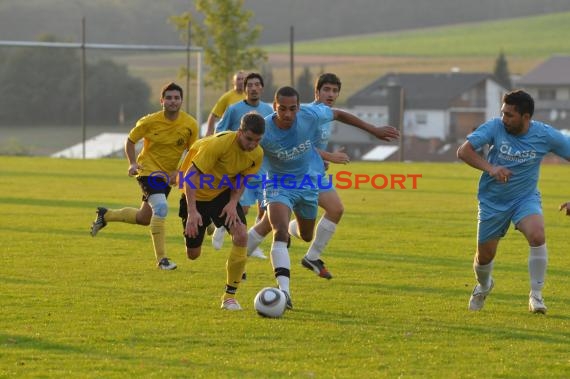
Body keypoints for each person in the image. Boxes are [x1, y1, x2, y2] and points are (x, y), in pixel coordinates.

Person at [247, 86, 399, 309]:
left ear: (299, 107)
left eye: (292, 109)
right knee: (278, 230)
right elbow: (243, 145)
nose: (288, 114)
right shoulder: (265, 128)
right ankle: (285, 292)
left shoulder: (310, 115)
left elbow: (339, 114)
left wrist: (373, 130)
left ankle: (288, 234)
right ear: (274, 107)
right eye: (282, 109)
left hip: (308, 180)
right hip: (278, 183)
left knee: (305, 234)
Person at [457, 89, 570, 314]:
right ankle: (484, 285)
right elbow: (464, 151)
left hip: (524, 198)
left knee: (537, 234)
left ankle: (536, 296)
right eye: (503, 113)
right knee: (484, 257)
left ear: (526, 117)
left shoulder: (545, 135)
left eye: (510, 115)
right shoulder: (494, 127)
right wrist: (492, 168)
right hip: (492, 201)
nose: (504, 119)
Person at [90, 82, 198, 270]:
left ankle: (106, 215)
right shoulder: (149, 121)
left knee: (143, 218)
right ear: (162, 100)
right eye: (169, 98)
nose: (173, 101)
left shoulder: (190, 124)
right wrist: (132, 163)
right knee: (162, 208)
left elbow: (193, 152)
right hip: (147, 170)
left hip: (167, 176)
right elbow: (131, 141)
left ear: (181, 100)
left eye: (177, 98)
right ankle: (162, 259)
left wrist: (180, 172)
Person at [178, 112, 265, 310]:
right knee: (193, 254)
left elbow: (242, 178)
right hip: (194, 195)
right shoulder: (217, 145)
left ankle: (229, 297)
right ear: (239, 132)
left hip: (221, 195)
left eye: (258, 140)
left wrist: (233, 202)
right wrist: (192, 212)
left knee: (241, 234)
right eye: (249, 139)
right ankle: (206, 221)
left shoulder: (257, 153)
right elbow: (189, 177)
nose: (252, 144)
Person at [288, 73, 351, 279]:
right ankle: (234, 277)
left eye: (335, 91)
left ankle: (312, 257)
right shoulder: (308, 113)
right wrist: (330, 156)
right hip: (296, 174)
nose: (331, 94)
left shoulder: (326, 115)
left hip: (313, 173)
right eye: (327, 90)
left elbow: (314, 147)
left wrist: (322, 160)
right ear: (317, 92)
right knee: (268, 225)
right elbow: (303, 144)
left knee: (336, 209)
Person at [210, 72, 273, 256]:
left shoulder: (268, 111)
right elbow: (219, 131)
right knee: (242, 208)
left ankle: (251, 242)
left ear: (262, 87)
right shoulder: (234, 109)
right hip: (240, 167)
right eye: (250, 85)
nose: (253, 88)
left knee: (265, 207)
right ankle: (222, 226)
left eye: (257, 85)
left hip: (262, 167)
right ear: (244, 89)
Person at [205, 70, 247, 136]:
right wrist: (209, 131)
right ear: (233, 82)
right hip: (230, 135)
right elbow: (213, 115)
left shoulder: (248, 96)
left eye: (243, 79)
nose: (241, 81)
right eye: (238, 79)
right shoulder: (227, 97)